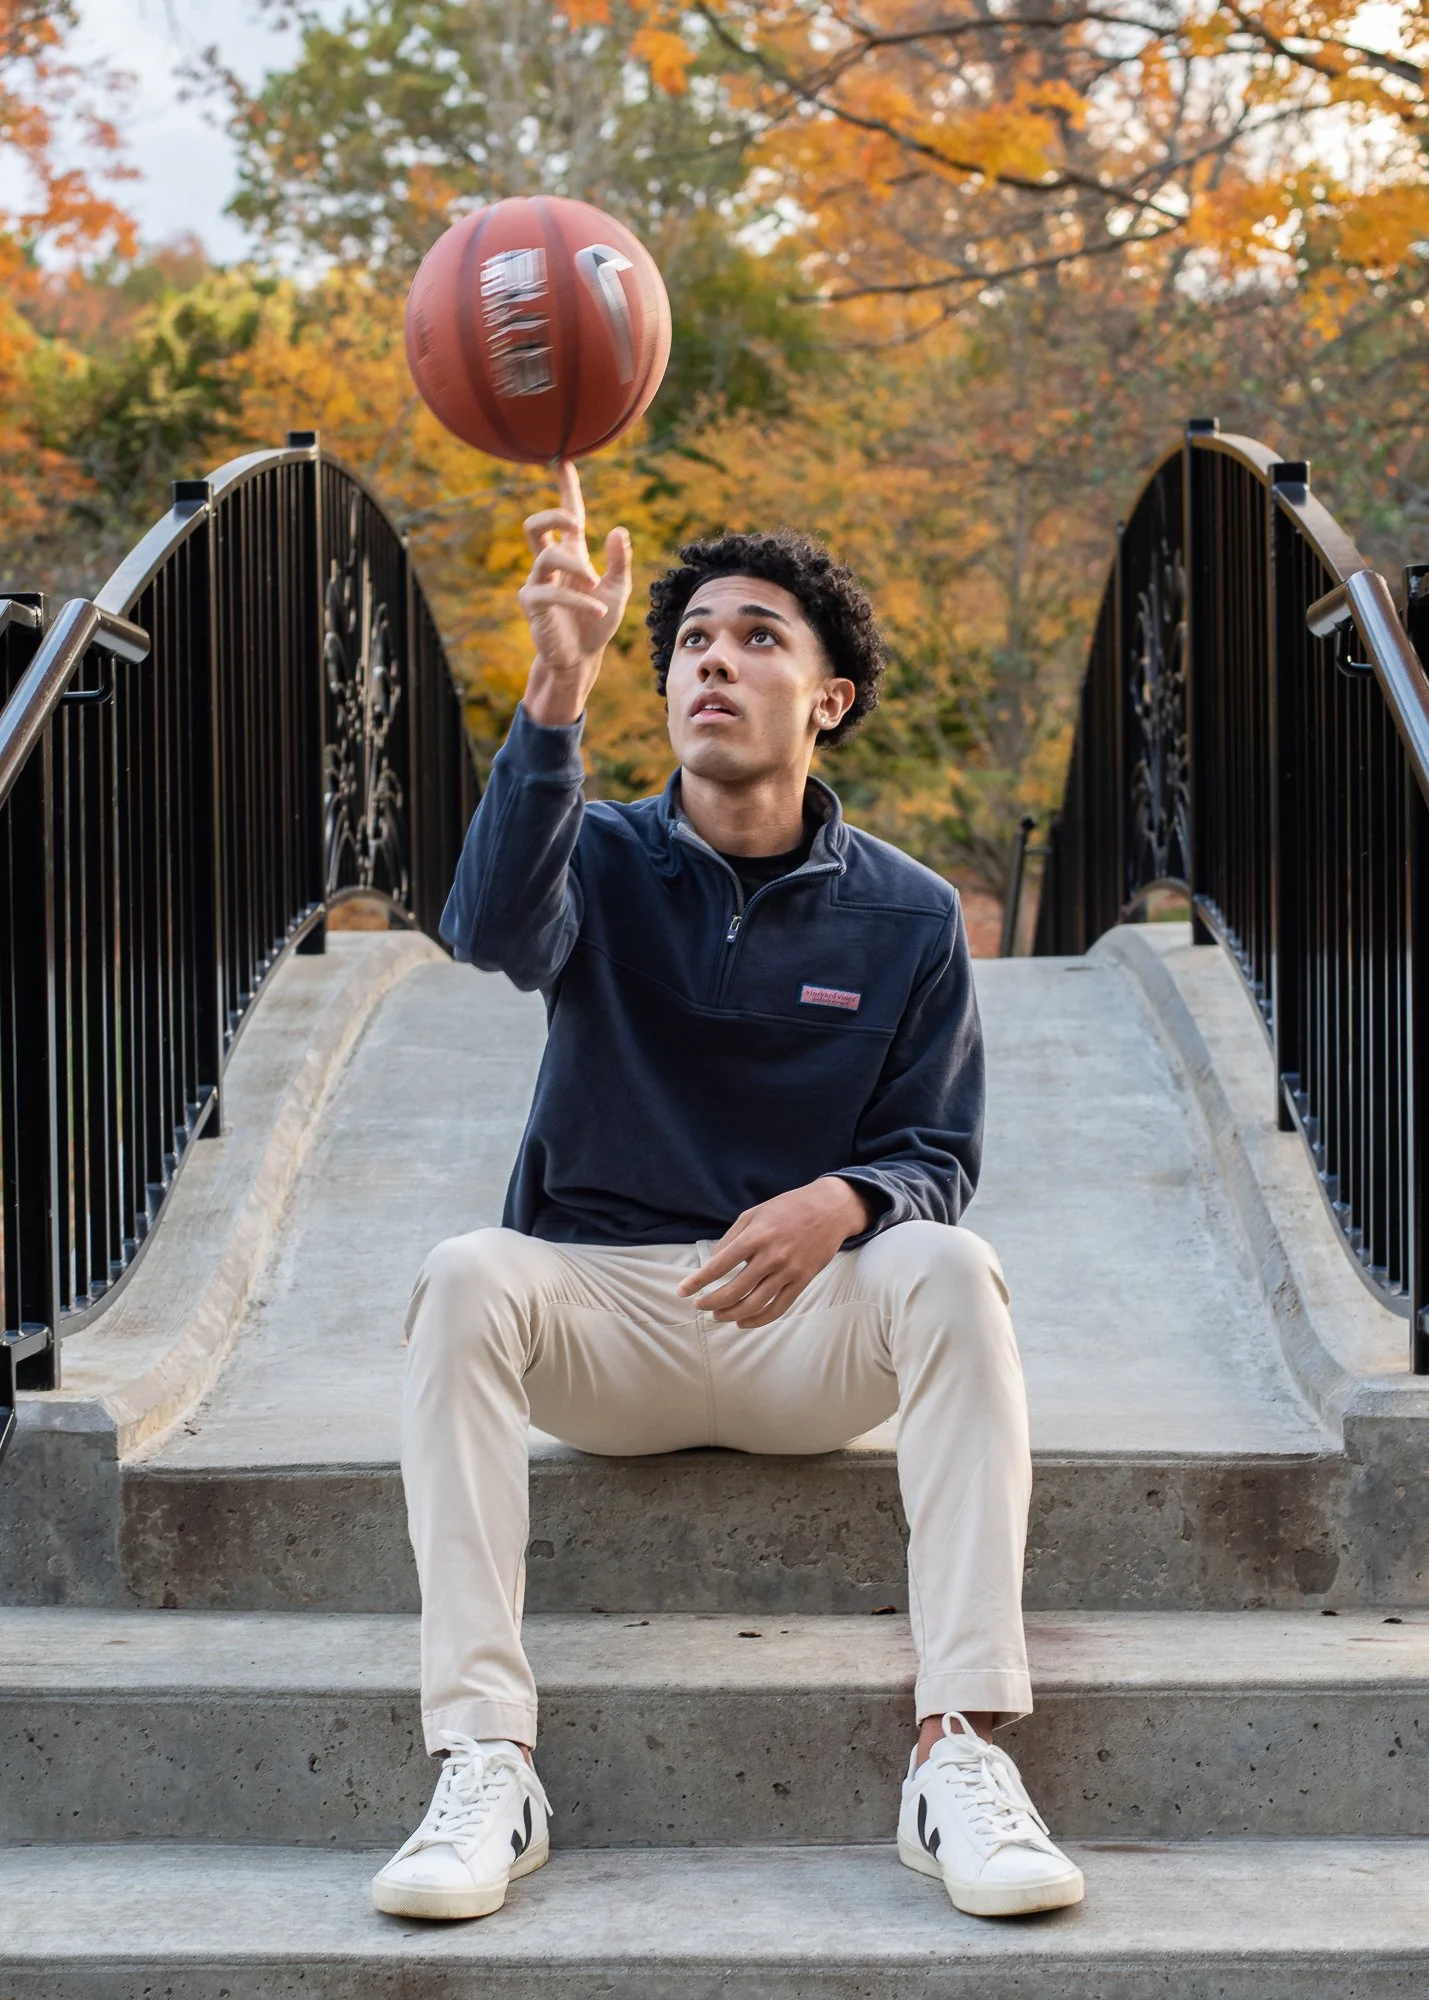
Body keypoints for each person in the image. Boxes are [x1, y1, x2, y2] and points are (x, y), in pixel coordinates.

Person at [371, 462, 1083, 1925]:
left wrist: (845, 1203)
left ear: (828, 699)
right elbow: (489, 926)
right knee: (459, 1274)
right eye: (695, 636)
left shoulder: (905, 911)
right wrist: (555, 693)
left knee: (955, 1269)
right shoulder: (604, 854)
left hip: (803, 1331)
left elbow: (937, 1153)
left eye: (760, 636)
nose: (717, 658)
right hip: (611, 1324)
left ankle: (959, 1756)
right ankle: (486, 1762)